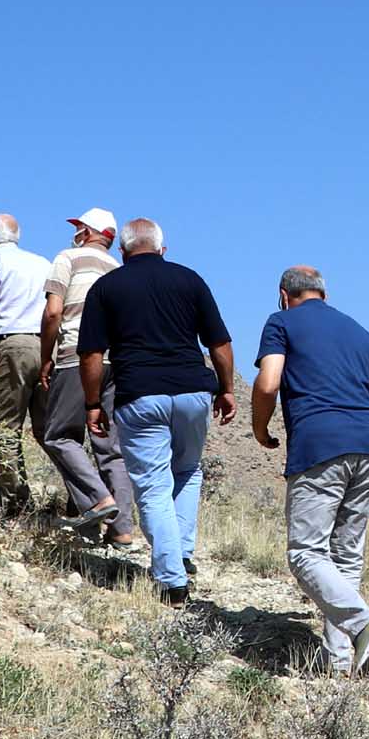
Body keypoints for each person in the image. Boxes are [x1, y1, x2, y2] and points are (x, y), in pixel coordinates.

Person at [75, 219, 235, 606]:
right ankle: (179, 553)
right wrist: (226, 389)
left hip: (140, 394)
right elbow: (220, 342)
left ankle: (171, 580)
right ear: (163, 249)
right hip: (194, 392)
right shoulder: (189, 280)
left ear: (123, 251)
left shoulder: (106, 287)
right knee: (188, 471)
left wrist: (93, 402)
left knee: (152, 485)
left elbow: (91, 354)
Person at [251, 266, 369, 675]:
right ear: (324, 294)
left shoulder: (280, 322)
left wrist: (260, 428)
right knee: (346, 556)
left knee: (306, 554)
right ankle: (341, 662)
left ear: (284, 295)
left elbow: (268, 383)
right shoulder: (359, 331)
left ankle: (364, 622)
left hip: (319, 445)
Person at [33, 209, 142, 554]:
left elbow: (53, 312)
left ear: (88, 231)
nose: (75, 231)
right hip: (117, 363)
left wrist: (46, 355)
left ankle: (97, 501)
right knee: (111, 449)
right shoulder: (118, 270)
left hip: (76, 357)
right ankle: (123, 529)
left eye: (79, 226)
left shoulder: (67, 258)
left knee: (58, 435)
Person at [0, 213, 52, 512]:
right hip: (46, 348)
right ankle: (83, 499)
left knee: (3, 428)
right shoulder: (43, 263)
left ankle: (18, 502)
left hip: (13, 346)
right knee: (50, 431)